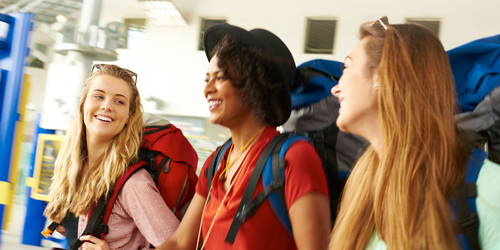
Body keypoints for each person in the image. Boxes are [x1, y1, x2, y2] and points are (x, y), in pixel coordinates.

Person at [329, 17, 500, 249]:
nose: (335, 88)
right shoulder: (362, 184)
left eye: (346, 67)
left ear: (382, 74)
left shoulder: (489, 191)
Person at [156, 24, 331, 250]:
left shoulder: (293, 158)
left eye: (219, 78)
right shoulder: (217, 162)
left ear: (256, 86)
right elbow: (180, 243)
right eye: (206, 79)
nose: (207, 89)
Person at [44, 64, 179, 250]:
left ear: (128, 117)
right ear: (83, 105)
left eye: (119, 101)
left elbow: (178, 246)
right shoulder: (71, 167)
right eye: (98, 96)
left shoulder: (133, 183)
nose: (107, 105)